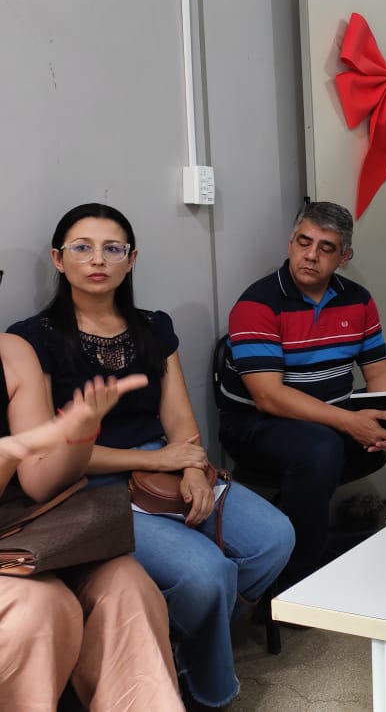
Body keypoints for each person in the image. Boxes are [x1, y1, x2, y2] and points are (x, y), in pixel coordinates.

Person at [9, 203, 296, 709]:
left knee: (274, 539)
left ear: (131, 258)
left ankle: (182, 640)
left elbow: (180, 418)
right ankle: (208, 690)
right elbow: (50, 456)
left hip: (166, 465)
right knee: (206, 574)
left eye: (112, 248)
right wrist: (156, 461)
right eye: (82, 247)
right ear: (58, 259)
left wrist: (193, 467)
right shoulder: (33, 339)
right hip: (91, 485)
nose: (98, 259)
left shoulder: (153, 326)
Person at [217, 201, 386, 577]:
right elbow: (268, 396)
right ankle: (297, 577)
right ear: (291, 243)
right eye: (304, 242)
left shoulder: (357, 299)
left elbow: (380, 370)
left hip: (333, 409)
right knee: (319, 448)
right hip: (256, 423)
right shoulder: (257, 304)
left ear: (344, 257)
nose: (311, 255)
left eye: (326, 248)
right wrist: (350, 423)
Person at [0, 330, 183, 711]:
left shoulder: (12, 352)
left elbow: (38, 483)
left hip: (23, 529)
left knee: (127, 584)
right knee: (41, 606)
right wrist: (9, 453)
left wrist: (81, 433)